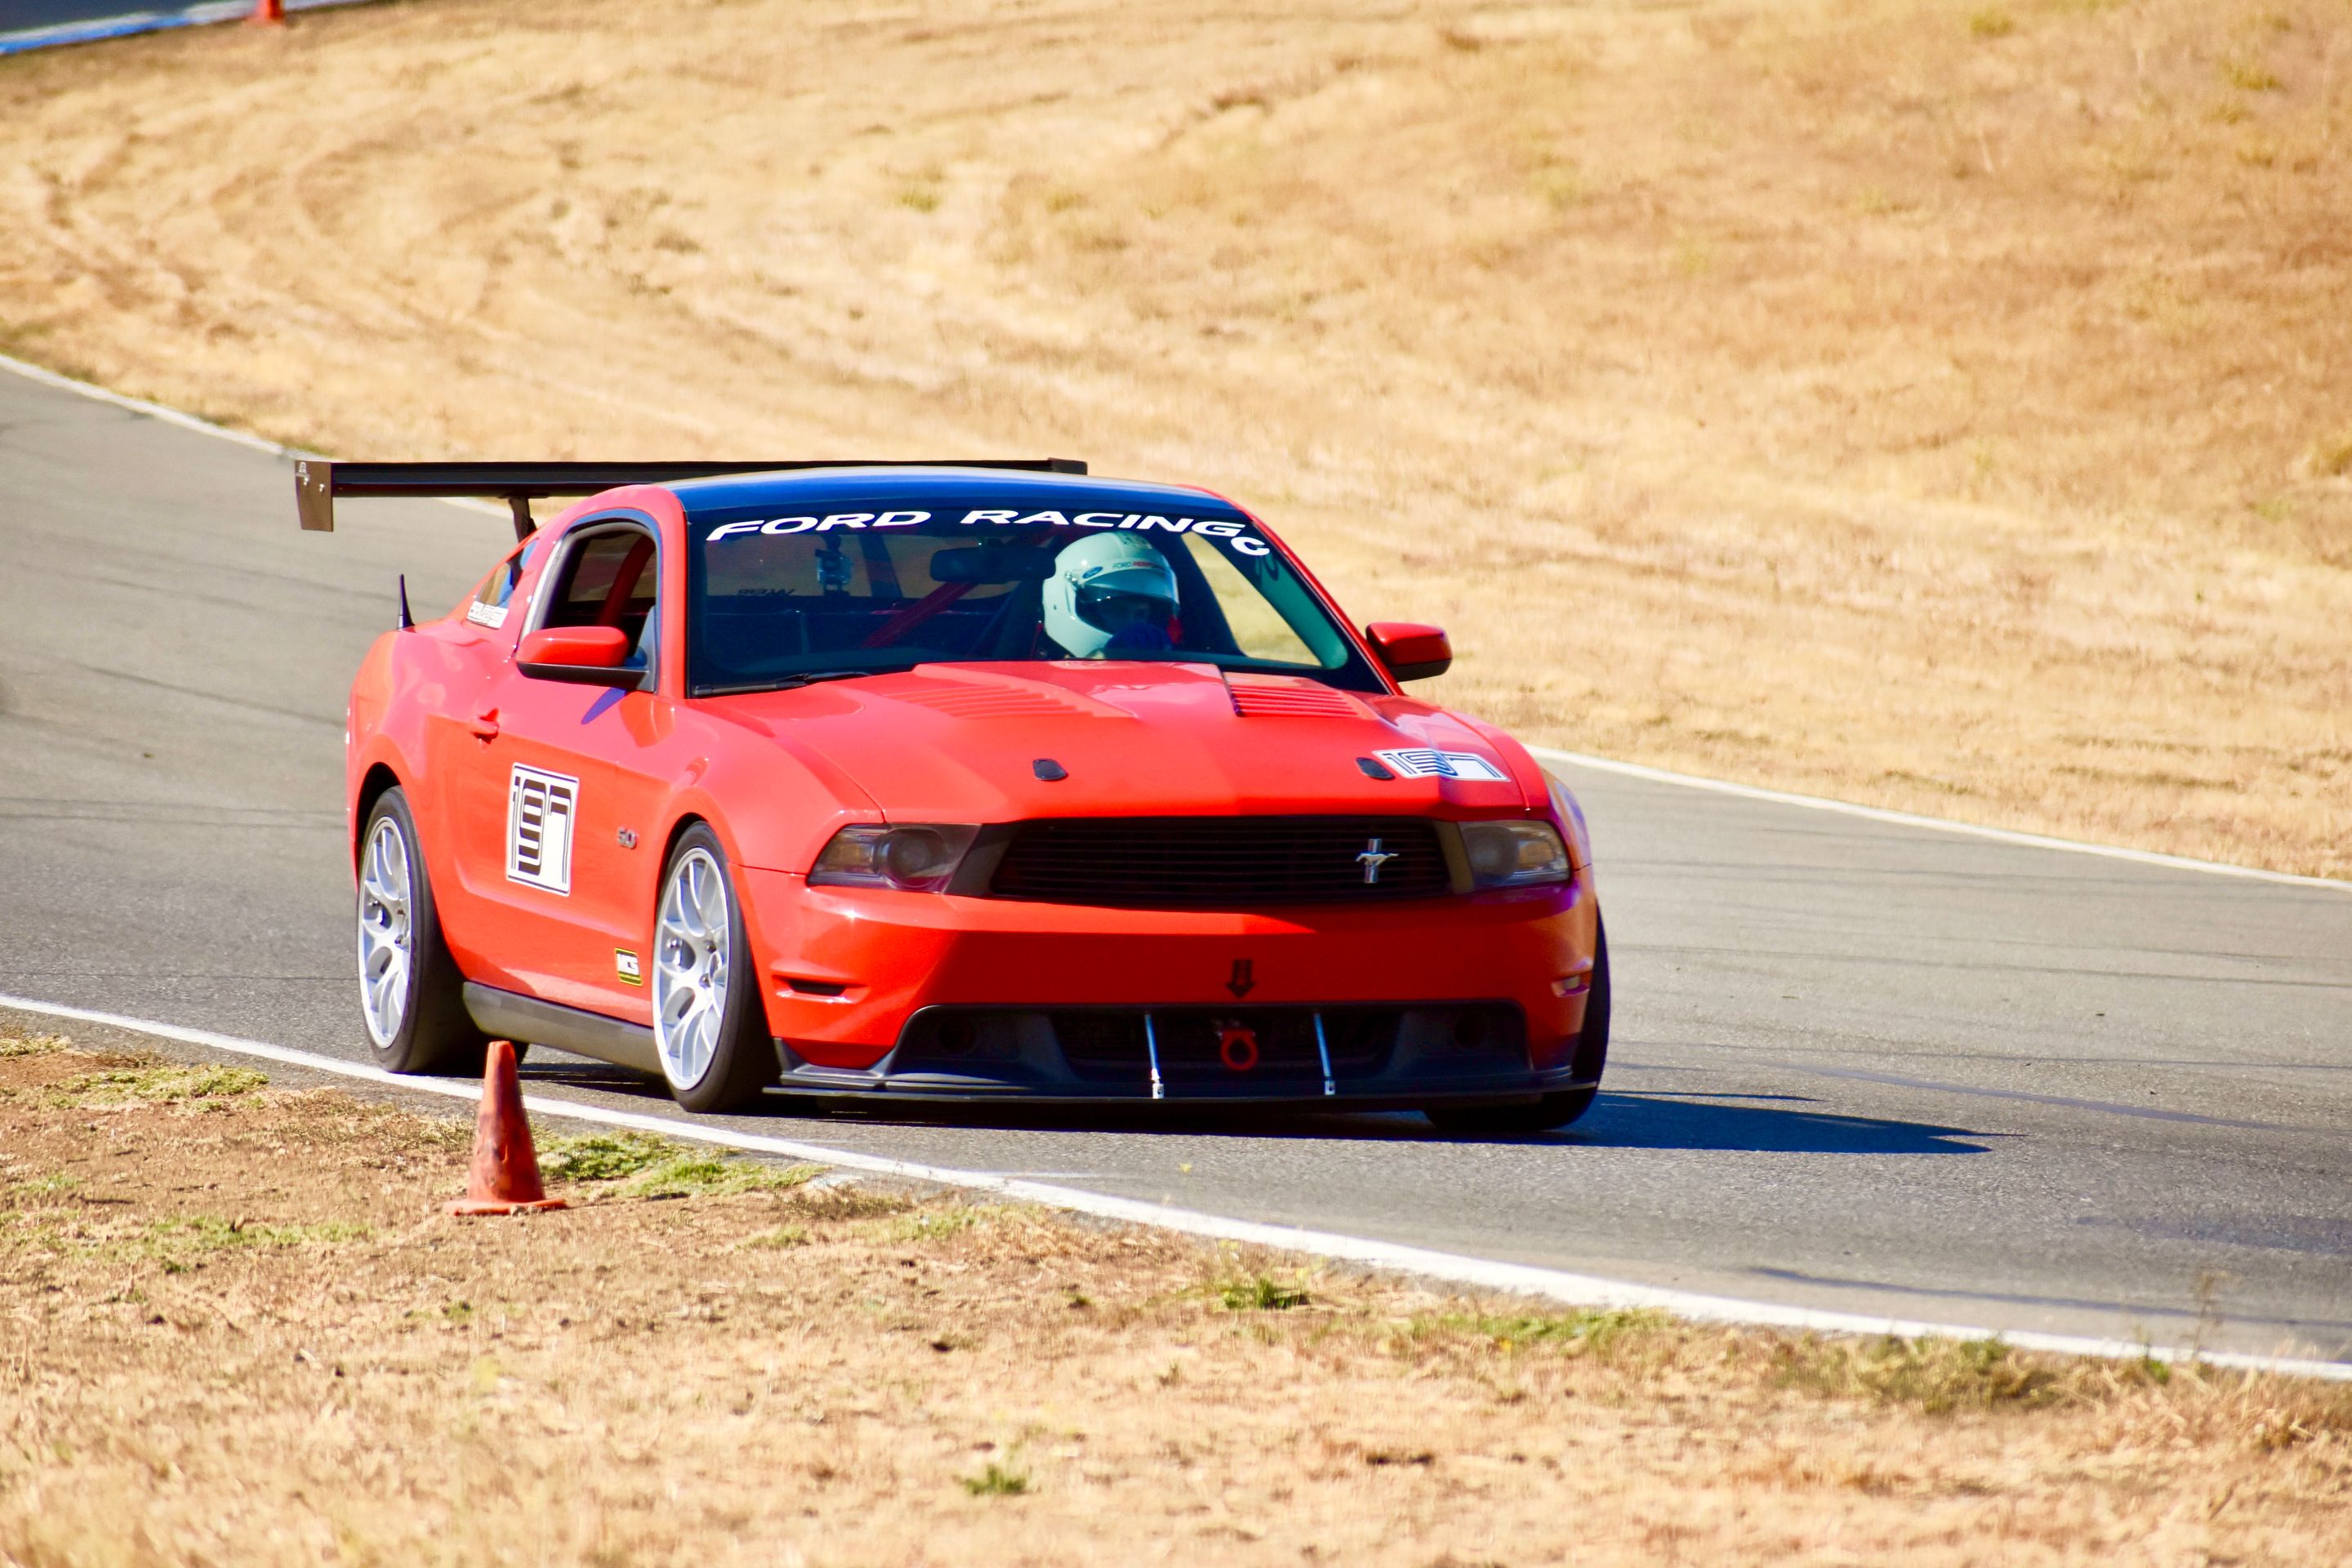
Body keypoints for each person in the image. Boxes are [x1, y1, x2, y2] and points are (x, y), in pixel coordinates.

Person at [1040, 533, 1180, 657]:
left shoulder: (1177, 679)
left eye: (1141, 614)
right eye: (1117, 611)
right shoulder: (1036, 680)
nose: (1131, 624)